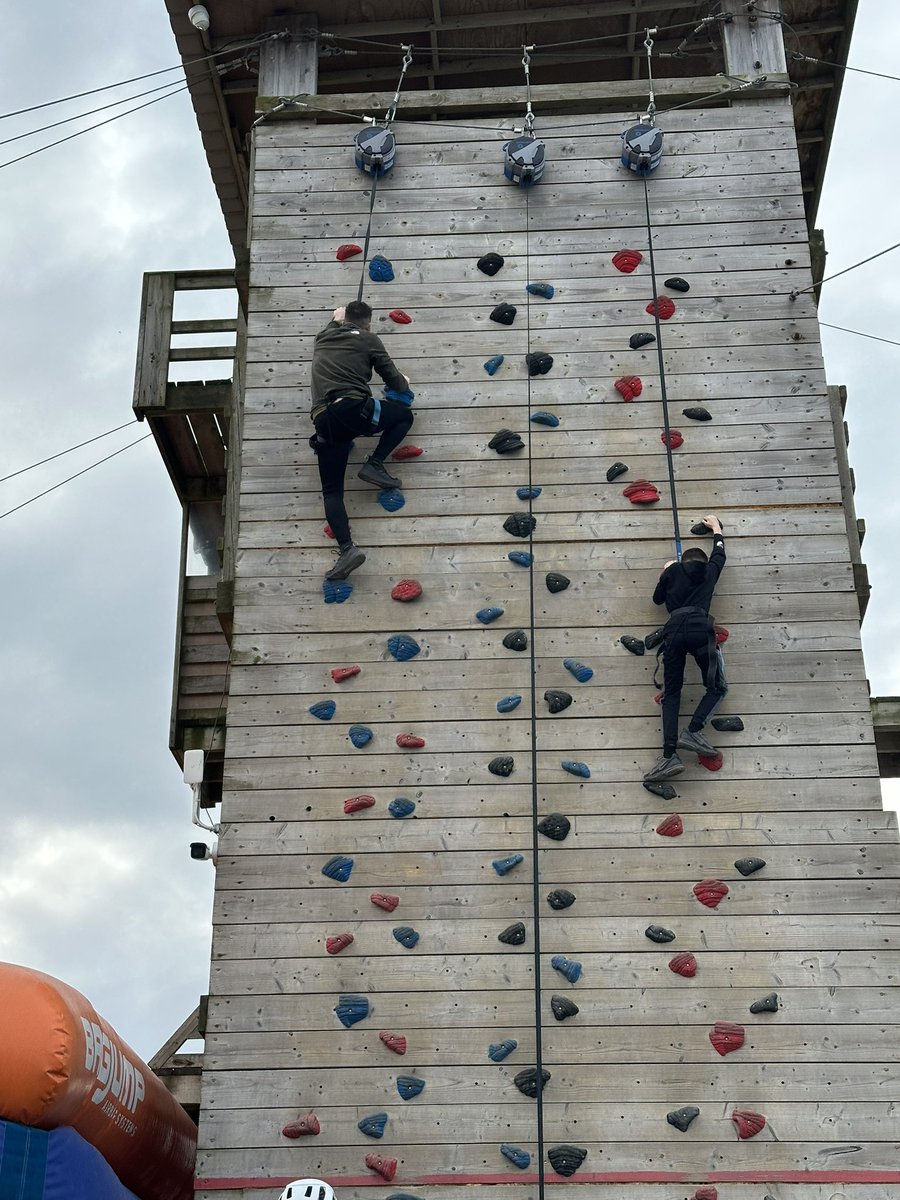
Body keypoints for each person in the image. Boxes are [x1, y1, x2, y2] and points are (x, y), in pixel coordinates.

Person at [309, 300, 413, 581]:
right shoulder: (369, 339)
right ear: (368, 323)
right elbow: (395, 382)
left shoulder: (322, 337)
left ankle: (347, 549)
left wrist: (336, 319)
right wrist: (403, 381)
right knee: (403, 417)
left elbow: (333, 325)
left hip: (324, 421)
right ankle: (374, 464)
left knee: (332, 492)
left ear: (342, 319)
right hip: (353, 409)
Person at [643, 514, 728, 783]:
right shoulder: (710, 571)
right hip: (701, 628)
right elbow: (719, 554)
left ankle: (669, 756)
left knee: (672, 694)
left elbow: (657, 600)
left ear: (683, 562)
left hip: (674, 630)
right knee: (717, 687)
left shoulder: (672, 572)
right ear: (703, 563)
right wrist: (716, 528)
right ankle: (693, 730)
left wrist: (666, 573)